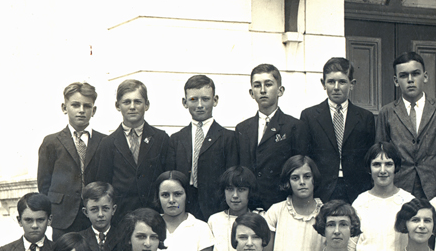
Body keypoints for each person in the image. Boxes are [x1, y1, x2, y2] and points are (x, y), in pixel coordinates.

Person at [87, 79, 174, 221]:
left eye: (138, 102)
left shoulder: (161, 139)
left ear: (147, 105)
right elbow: (103, 184)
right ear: (117, 105)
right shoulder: (107, 143)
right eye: (126, 102)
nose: (132, 107)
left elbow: (168, 178)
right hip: (121, 218)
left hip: (154, 215)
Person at [377, 52, 436, 200]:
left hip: (435, 188)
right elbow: (380, 154)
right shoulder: (387, 112)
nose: (410, 80)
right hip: (399, 187)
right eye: (404, 75)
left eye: (415, 74)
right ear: (395, 80)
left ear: (425, 77)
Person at [299, 57, 377, 203]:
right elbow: (305, 157)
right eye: (331, 82)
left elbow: (369, 157)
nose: (336, 87)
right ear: (323, 84)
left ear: (352, 84)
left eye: (342, 82)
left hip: (357, 189)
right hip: (322, 189)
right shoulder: (309, 116)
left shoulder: (365, 117)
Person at [236, 63, 307, 210]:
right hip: (249, 206)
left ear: (280, 90)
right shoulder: (242, 129)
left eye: (268, 84)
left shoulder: (294, 126)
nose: (262, 90)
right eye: (257, 85)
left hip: (282, 204)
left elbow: (299, 169)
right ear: (251, 93)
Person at [37, 81, 104, 235]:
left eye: (87, 106)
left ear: (93, 110)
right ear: (64, 108)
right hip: (63, 217)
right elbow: (44, 185)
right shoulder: (52, 142)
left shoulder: (104, 141)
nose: (81, 110)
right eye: (75, 105)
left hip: (95, 217)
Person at [172, 75, 238, 221]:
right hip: (184, 209)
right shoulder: (176, 139)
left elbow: (231, 178)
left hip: (216, 209)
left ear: (215, 100)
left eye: (206, 99)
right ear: (185, 102)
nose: (200, 105)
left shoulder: (228, 138)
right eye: (194, 99)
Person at [351, 142, 415, 251]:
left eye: (388, 164)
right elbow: (351, 245)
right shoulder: (360, 202)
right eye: (376, 164)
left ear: (395, 166)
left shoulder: (408, 201)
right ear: (369, 168)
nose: (382, 170)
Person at [262, 155, 325, 251]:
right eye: (295, 178)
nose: (302, 182)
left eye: (307, 177)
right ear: (288, 182)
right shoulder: (277, 211)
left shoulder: (325, 213)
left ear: (314, 179)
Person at [208, 166, 258, 251]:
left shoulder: (258, 218)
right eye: (230, 189)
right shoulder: (215, 220)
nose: (235, 196)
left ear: (250, 192)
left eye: (241, 190)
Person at [76, 181, 119, 251]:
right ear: (86, 212)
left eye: (105, 209)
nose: (100, 214)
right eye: (94, 209)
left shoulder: (122, 237)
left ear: (113, 210)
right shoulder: (79, 239)